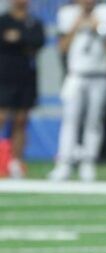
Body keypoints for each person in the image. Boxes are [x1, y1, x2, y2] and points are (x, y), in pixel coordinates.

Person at [50, 0, 106, 181]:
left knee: (94, 121)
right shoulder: (67, 14)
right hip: (76, 75)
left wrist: (100, 28)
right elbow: (62, 47)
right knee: (70, 120)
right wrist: (76, 25)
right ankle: (64, 162)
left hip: (100, 75)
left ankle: (88, 162)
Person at [0, 0, 44, 179]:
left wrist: (18, 38)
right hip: (4, 76)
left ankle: (16, 161)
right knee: (2, 116)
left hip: (26, 77)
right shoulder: (3, 20)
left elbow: (37, 41)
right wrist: (23, 41)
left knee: (21, 119)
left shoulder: (34, 22)